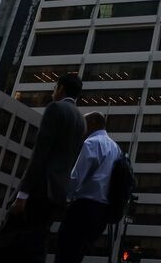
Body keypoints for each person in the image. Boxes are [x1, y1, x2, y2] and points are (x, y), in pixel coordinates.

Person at [10, 73, 86, 263]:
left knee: (17, 240)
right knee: (38, 243)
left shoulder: (55, 108)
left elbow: (40, 154)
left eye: (54, 88)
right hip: (58, 192)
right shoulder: (81, 119)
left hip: (41, 187)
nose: (53, 93)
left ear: (60, 88)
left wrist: (22, 194)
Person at [56, 111, 123, 263]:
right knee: (78, 253)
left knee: (65, 250)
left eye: (84, 125)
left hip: (84, 206)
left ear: (92, 123)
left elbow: (77, 176)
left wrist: (65, 198)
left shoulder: (91, 143)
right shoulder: (116, 148)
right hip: (102, 212)